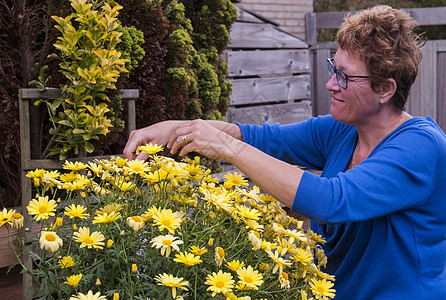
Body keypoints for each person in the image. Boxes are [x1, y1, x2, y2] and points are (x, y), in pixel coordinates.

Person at [123, 5, 446, 299]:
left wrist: (227, 148)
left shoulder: (421, 147)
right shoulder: (342, 129)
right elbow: (259, 138)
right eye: (335, 68)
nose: (331, 84)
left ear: (385, 89)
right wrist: (179, 126)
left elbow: (331, 201)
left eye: (345, 76)